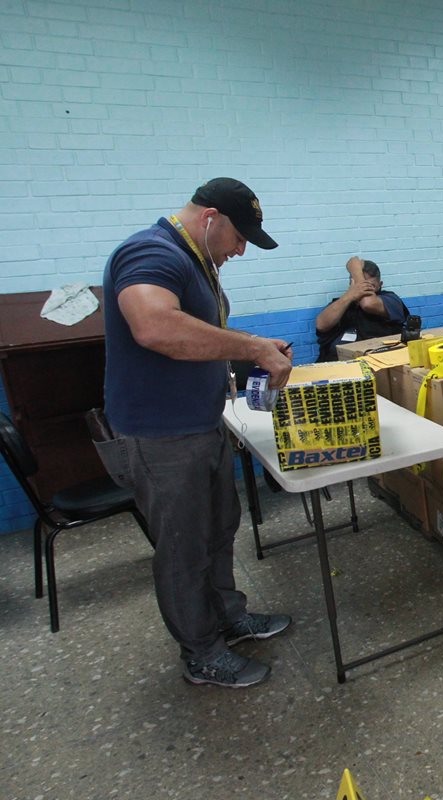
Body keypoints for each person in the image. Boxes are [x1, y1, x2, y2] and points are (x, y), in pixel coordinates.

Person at [101, 177, 294, 689]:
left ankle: (228, 617)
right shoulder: (152, 252)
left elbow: (198, 337)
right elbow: (154, 326)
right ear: (210, 219)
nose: (241, 250)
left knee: (218, 528)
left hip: (200, 424)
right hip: (161, 436)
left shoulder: (194, 260)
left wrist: (251, 344)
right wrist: (251, 348)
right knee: (183, 548)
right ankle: (202, 654)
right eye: (239, 237)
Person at [315, 256, 417, 361]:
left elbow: (367, 303)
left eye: (370, 286)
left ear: (380, 285)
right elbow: (321, 325)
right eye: (359, 285)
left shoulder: (390, 299)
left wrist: (356, 271)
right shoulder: (342, 301)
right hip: (335, 362)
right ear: (351, 284)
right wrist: (349, 295)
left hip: (375, 361)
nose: (363, 289)